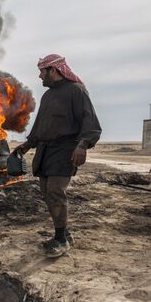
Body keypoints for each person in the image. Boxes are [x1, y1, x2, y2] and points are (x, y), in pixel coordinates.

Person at [14, 54, 101, 258]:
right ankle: (65, 234)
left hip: (66, 149)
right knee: (46, 191)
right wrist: (26, 146)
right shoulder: (47, 96)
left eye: (42, 71)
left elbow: (90, 121)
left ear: (54, 70)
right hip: (46, 151)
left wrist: (82, 145)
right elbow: (40, 127)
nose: (39, 76)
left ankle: (61, 240)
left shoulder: (76, 91)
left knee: (55, 191)